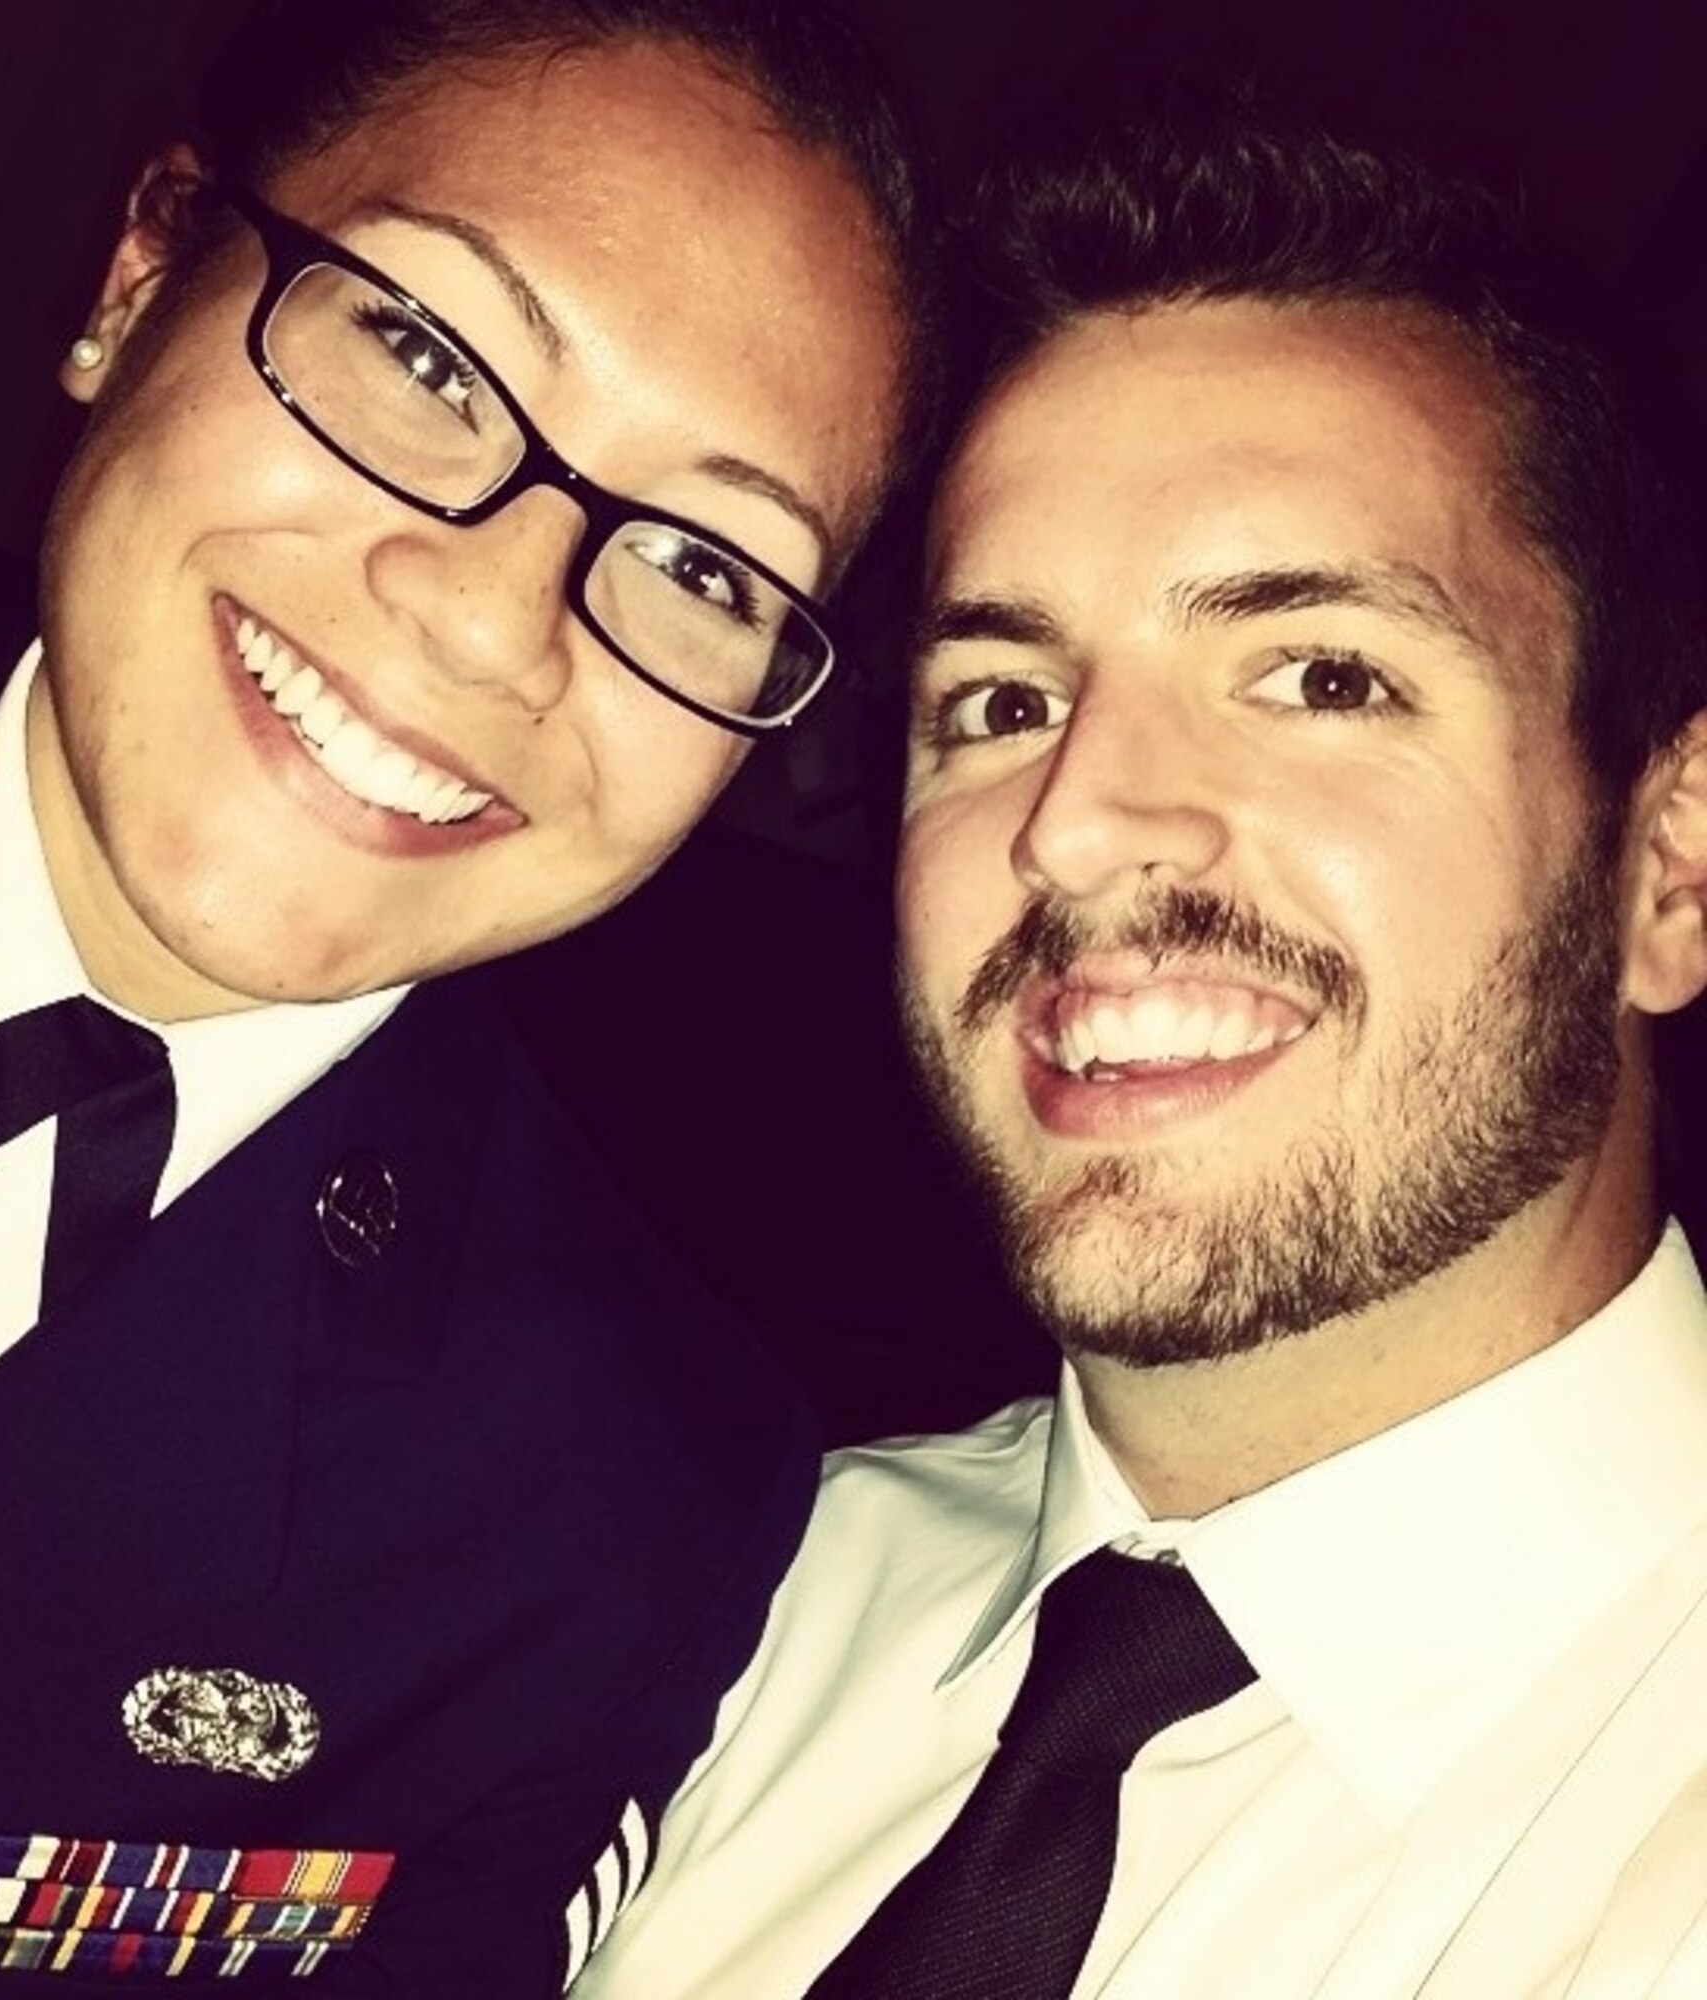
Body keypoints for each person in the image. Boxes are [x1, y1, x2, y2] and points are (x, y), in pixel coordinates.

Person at [0, 1, 925, 1991]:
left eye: (702, 568)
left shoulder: (624, 1517)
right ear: (141, 270)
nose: (484, 612)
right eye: (427, 355)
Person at [576, 111, 1707, 1998]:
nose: (1078, 821)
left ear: (1667, 863)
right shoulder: (695, 1612)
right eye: (1000, 701)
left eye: (1323, 676)